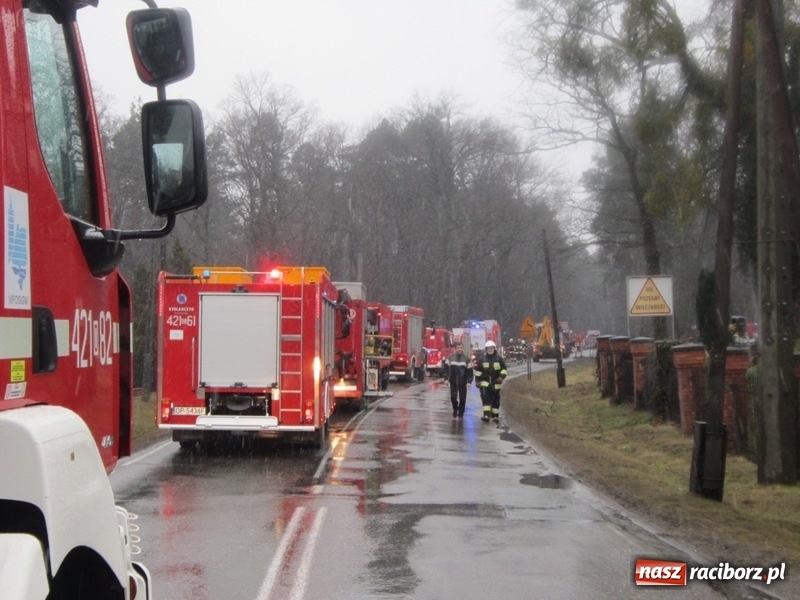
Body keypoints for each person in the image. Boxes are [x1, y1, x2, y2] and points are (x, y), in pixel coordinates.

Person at [474, 340, 507, 423]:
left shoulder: (499, 359)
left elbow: (504, 369)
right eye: (488, 348)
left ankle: (495, 416)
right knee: (485, 399)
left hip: (496, 383)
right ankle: (486, 415)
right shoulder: (482, 359)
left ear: (494, 348)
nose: (490, 350)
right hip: (485, 383)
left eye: (491, 348)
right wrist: (477, 381)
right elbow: (478, 371)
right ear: (486, 349)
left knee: (496, 400)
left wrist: (501, 377)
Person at [445, 343, 473, 418]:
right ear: (455, 349)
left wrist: (469, 381)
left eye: (461, 347)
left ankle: (461, 413)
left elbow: (470, 371)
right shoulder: (450, 358)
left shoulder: (466, 359)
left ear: (463, 349)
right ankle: (455, 409)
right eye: (458, 347)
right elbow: (446, 369)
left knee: (462, 398)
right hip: (453, 381)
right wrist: (446, 379)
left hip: (463, 381)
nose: (459, 349)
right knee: (453, 397)